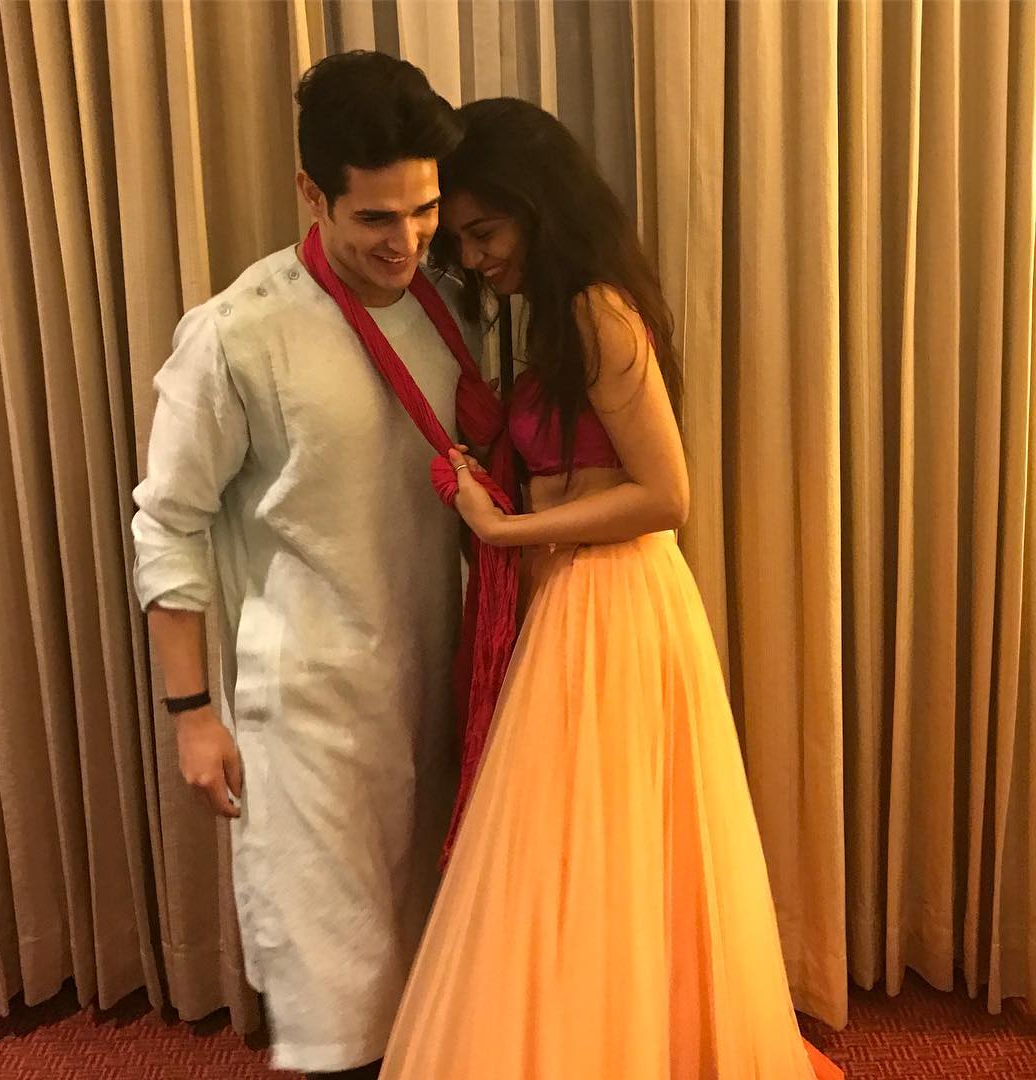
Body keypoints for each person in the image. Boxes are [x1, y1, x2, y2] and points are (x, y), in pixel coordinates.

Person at [379, 98, 844, 1079]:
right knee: (587, 848)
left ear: (538, 205)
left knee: (597, 843)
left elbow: (666, 494)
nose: (475, 257)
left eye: (485, 231)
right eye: (463, 240)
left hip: (615, 602)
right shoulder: (561, 314)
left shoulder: (596, 309)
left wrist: (504, 528)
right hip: (579, 601)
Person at [131, 51, 482, 1079]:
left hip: (438, 686)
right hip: (310, 717)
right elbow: (168, 524)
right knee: (339, 1000)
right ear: (311, 193)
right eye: (376, 217)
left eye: (424, 210)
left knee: (437, 973)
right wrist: (191, 715)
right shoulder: (238, 332)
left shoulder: (449, 304)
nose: (406, 241)